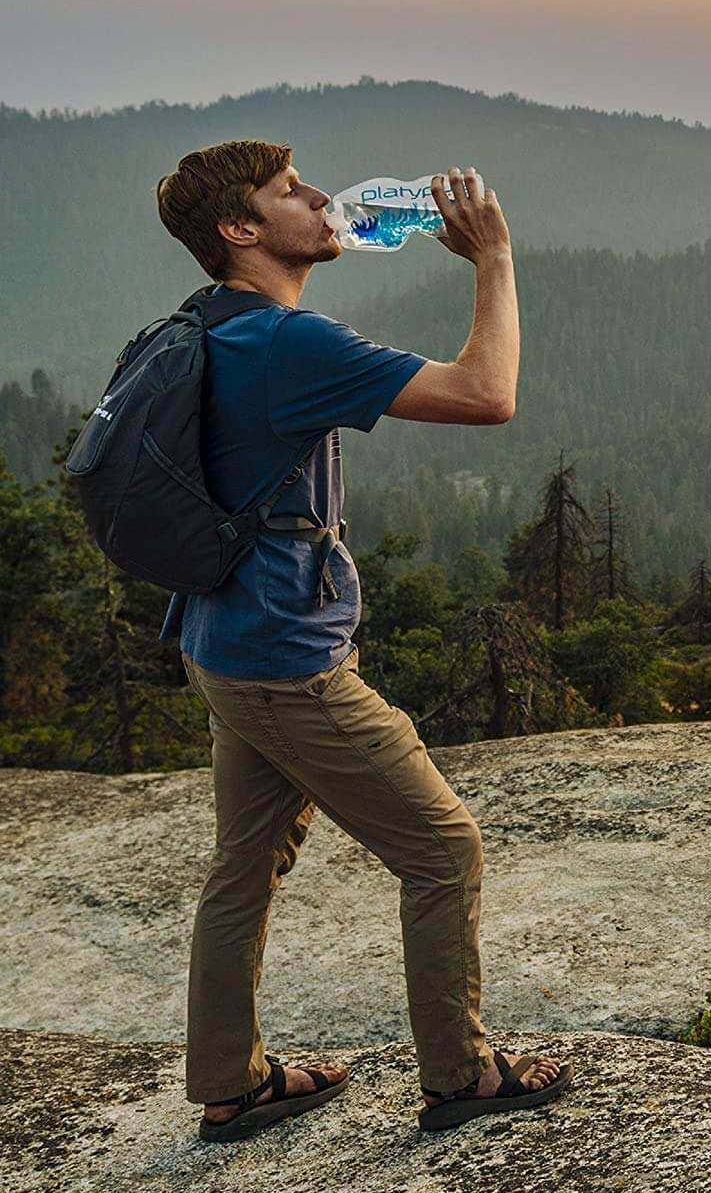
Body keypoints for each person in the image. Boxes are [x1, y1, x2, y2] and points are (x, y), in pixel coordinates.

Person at [153, 140, 571, 1141]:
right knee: (442, 847)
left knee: (244, 864)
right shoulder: (288, 344)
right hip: (288, 664)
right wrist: (495, 259)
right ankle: (462, 1075)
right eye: (289, 191)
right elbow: (487, 395)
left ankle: (231, 1083)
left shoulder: (211, 325)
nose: (319, 198)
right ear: (239, 231)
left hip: (218, 640)